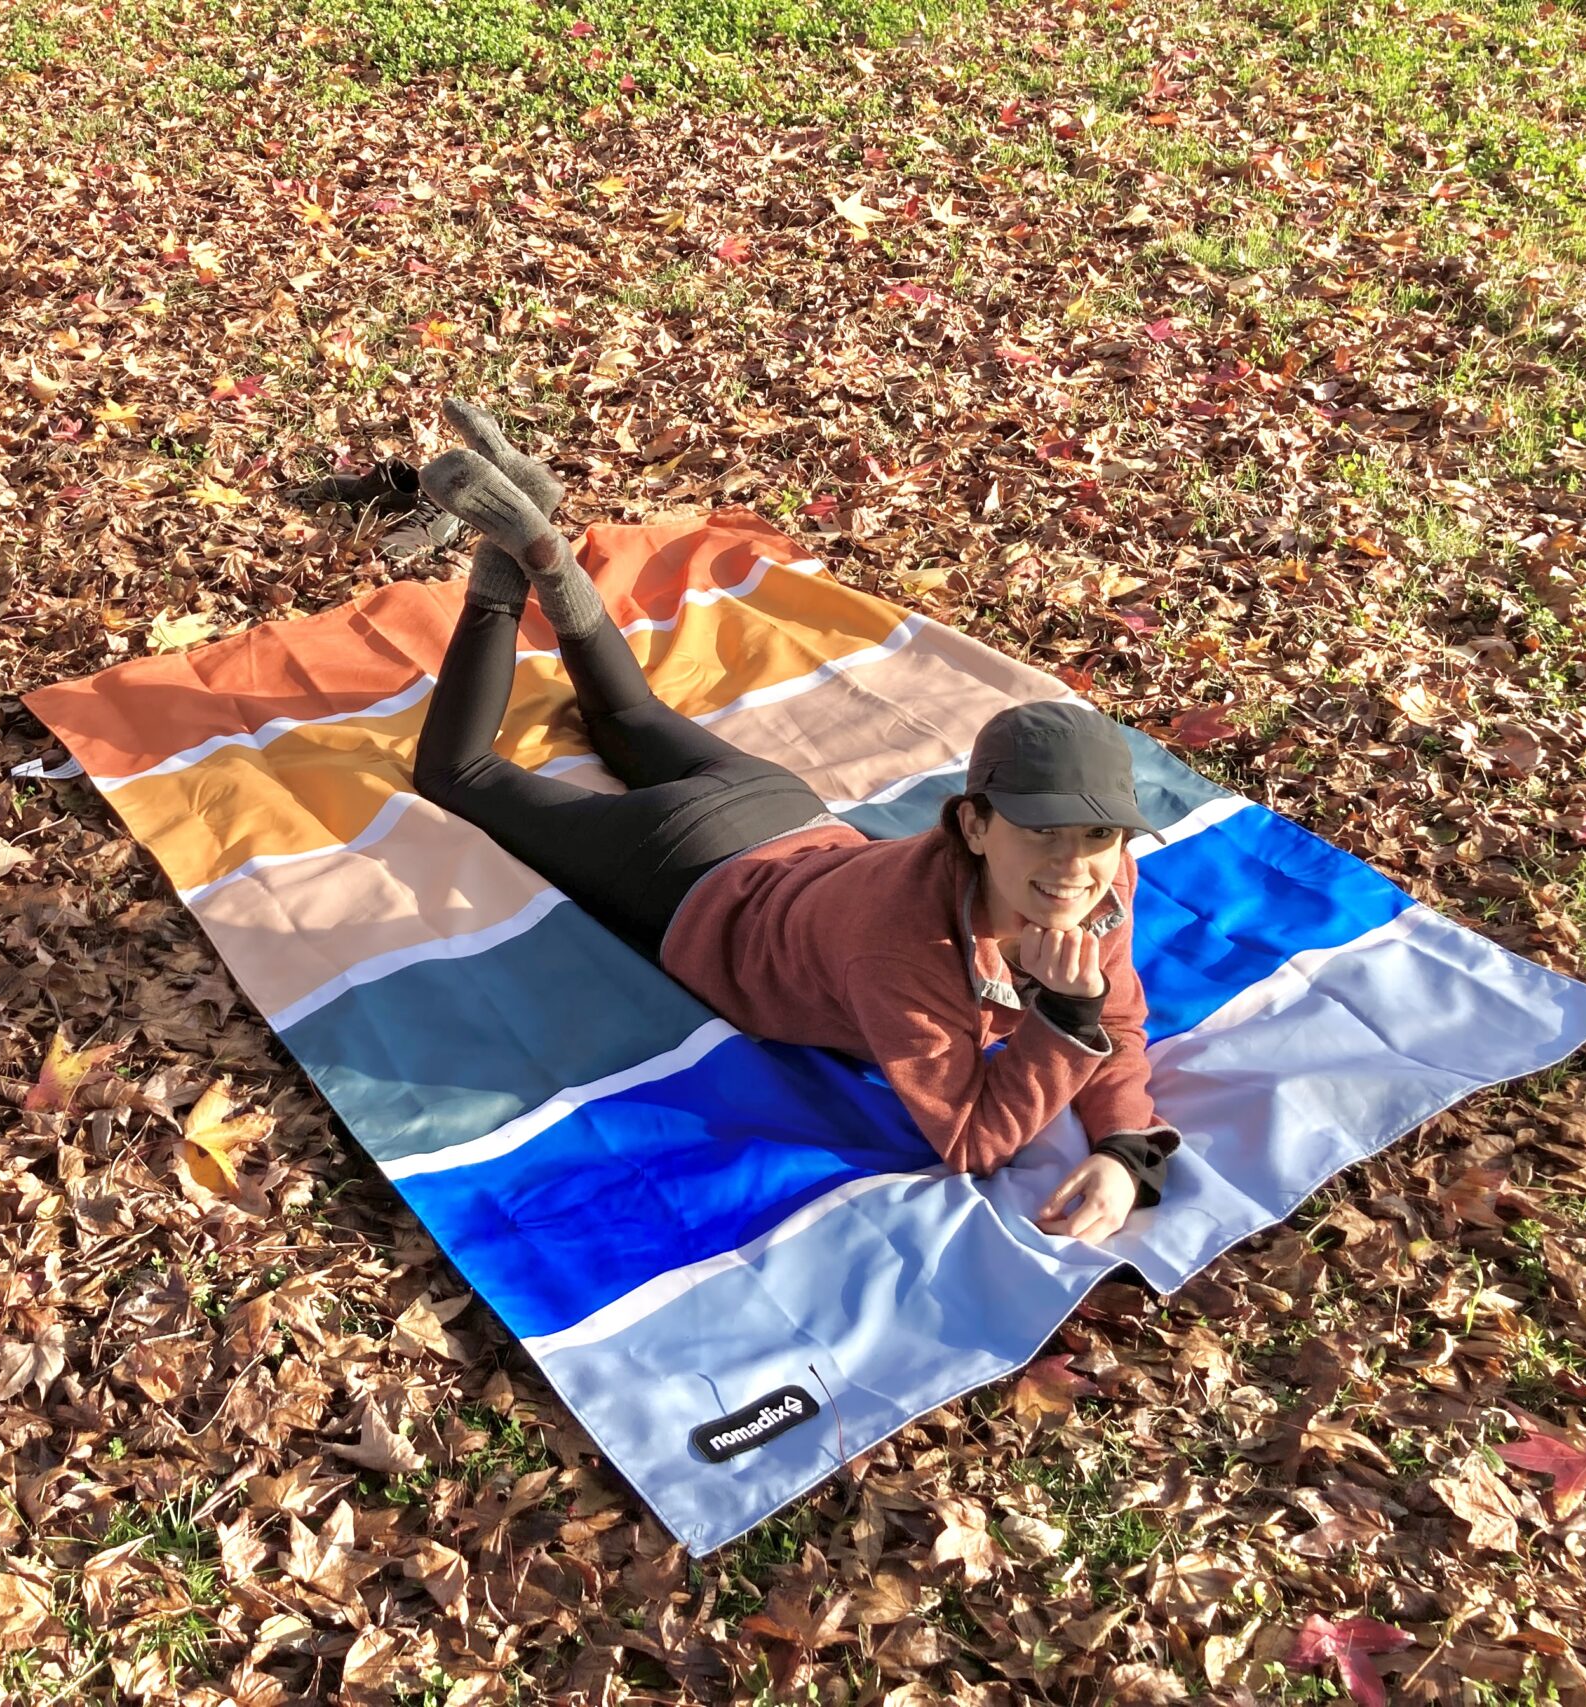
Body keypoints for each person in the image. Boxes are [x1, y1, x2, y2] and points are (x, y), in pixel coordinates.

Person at [406, 400, 1180, 1246]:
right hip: (690, 874)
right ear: (973, 825)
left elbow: (1122, 1018)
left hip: (783, 809)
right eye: (1043, 831)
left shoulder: (1104, 882)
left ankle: (548, 554)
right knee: (461, 775)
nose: (1075, 864)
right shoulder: (905, 949)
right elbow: (971, 1137)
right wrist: (1064, 1020)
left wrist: (1126, 1145)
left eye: (1098, 834)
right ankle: (501, 568)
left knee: (626, 714)